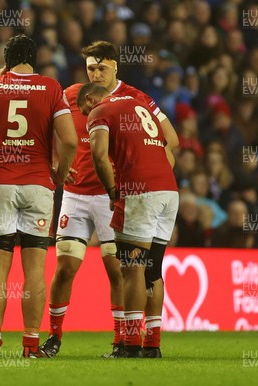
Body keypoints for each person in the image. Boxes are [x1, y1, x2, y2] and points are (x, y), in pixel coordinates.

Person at [40, 41, 178, 358]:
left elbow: (169, 140)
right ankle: (54, 336)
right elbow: (46, 128)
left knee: (120, 270)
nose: (96, 73)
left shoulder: (135, 97)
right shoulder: (72, 94)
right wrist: (54, 164)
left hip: (112, 197)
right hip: (76, 196)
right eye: (91, 67)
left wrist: (141, 180)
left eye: (102, 67)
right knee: (64, 268)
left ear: (115, 66)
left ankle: (122, 340)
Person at [0, 35, 77, 358]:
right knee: (34, 268)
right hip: (37, 184)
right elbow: (70, 141)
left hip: (2, 182)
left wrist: (0, 82)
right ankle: (31, 344)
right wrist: (59, 174)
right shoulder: (50, 88)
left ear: (6, 58)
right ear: (35, 58)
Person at [78, 83, 179, 358]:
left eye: (84, 111)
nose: (86, 116)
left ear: (90, 99)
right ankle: (153, 345)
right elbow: (173, 143)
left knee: (132, 267)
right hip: (169, 191)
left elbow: (98, 155)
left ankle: (132, 344)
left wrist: (112, 190)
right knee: (152, 269)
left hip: (140, 192)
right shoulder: (141, 105)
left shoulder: (100, 110)